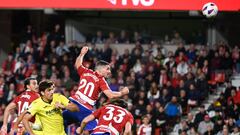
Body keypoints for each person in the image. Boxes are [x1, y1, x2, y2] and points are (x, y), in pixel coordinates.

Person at [63, 46, 129, 132]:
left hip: (73, 105)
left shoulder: (86, 72)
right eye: (107, 69)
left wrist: (81, 54)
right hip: (84, 110)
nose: (109, 72)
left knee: (60, 121)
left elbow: (78, 64)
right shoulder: (101, 80)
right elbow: (111, 95)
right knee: (98, 129)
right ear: (100, 69)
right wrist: (122, 92)